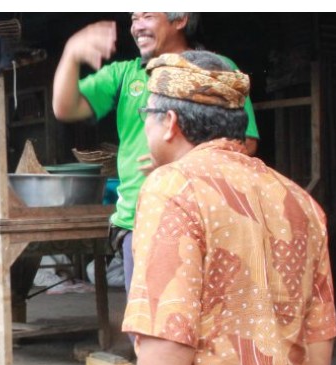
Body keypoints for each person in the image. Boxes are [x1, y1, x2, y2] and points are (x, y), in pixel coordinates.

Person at [120, 52, 336, 365]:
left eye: (145, 115)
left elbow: (168, 340)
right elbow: (319, 340)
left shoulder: (173, 187)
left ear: (168, 123)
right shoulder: (300, 201)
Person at [53, 13, 259, 293]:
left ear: (180, 19)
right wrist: (71, 54)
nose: (137, 26)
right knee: (148, 326)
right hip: (139, 220)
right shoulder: (125, 73)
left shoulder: (217, 70)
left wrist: (180, 167)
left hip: (207, 217)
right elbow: (66, 107)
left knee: (205, 323)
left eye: (147, 15)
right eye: (133, 18)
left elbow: (245, 143)